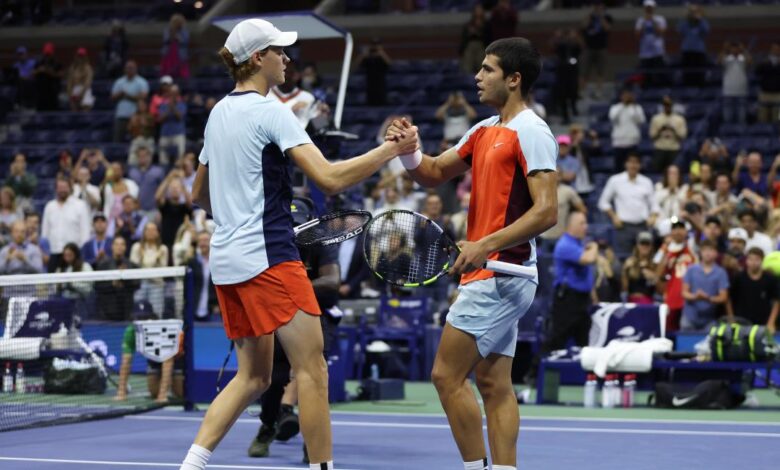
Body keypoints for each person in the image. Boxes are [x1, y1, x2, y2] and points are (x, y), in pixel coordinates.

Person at [179, 18, 418, 470]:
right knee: (313, 369)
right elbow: (329, 178)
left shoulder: (217, 113)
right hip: (269, 258)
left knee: (254, 377)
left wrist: (237, 212)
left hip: (228, 262)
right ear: (257, 59)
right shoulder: (271, 112)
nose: (286, 58)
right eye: (278, 51)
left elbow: (198, 194)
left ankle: (190, 465)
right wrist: (391, 150)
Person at [386, 37, 557, 470]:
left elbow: (547, 211)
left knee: (445, 376)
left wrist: (485, 244)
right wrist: (409, 150)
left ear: (514, 79)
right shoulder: (483, 130)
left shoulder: (532, 131)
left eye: (487, 69)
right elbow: (433, 172)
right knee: (493, 384)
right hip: (494, 271)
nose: (477, 76)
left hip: (502, 272)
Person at [247, 198, 341, 462]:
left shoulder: (321, 243)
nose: (294, 230)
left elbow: (332, 280)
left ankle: (313, 447)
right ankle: (268, 426)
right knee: (272, 380)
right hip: (276, 317)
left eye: (299, 224)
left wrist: (291, 288)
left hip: (314, 316)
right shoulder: (269, 244)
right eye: (290, 224)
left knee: (313, 378)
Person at [115, 301, 184, 403]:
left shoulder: (163, 330)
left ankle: (174, 382)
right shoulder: (131, 331)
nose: (142, 321)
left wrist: (162, 395)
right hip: (154, 359)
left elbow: (168, 361)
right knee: (154, 392)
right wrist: (121, 392)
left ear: (153, 317)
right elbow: (126, 362)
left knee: (180, 393)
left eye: (145, 317)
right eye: (138, 318)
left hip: (177, 358)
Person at [546, 211, 597, 350]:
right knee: (557, 340)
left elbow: (586, 273)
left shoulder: (579, 244)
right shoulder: (565, 244)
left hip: (582, 300)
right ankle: (540, 364)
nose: (586, 226)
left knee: (584, 342)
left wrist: (593, 294)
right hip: (568, 301)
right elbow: (589, 259)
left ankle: (582, 365)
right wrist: (594, 246)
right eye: (582, 223)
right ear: (571, 225)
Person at [598, 153, 659, 256]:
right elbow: (603, 202)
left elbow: (654, 204)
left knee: (644, 258)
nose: (633, 165)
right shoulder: (615, 180)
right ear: (626, 164)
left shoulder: (646, 182)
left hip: (642, 226)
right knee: (624, 257)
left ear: (640, 165)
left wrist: (653, 216)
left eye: (636, 163)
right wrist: (613, 216)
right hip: (623, 227)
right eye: (630, 162)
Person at [42, 177, 91, 272]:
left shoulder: (80, 205)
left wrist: (80, 251)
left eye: (65, 187)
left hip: (74, 253)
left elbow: (85, 231)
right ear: (56, 189)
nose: (62, 190)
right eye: (60, 187)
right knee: (53, 280)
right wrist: (45, 252)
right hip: (54, 252)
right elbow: (45, 232)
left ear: (70, 188)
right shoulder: (49, 206)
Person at [681, 239, 729, 331]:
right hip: (689, 318)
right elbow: (684, 292)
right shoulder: (691, 269)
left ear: (716, 253)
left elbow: (723, 297)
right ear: (700, 252)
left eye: (711, 250)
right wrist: (695, 296)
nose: (707, 253)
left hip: (710, 320)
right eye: (705, 250)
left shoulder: (721, 273)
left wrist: (708, 298)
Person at [729, 247, 778, 331]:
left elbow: (777, 301)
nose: (753, 262)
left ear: (762, 260)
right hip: (741, 323)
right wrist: (731, 318)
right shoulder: (738, 277)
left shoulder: (770, 278)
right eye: (750, 259)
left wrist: (771, 322)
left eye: (757, 259)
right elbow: (729, 298)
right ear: (746, 261)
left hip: (763, 323)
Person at [95, 236, 140, 321]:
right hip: (108, 310)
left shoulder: (132, 265)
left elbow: (137, 284)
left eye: (122, 244)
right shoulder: (103, 265)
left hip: (126, 309)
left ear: (125, 247)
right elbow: (98, 286)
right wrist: (112, 284)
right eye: (116, 244)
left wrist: (125, 280)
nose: (119, 247)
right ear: (112, 247)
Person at [130, 222, 169, 316]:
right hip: (139, 285)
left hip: (157, 286)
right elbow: (133, 267)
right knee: (138, 313)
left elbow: (163, 270)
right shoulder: (136, 247)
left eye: (153, 230)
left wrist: (144, 259)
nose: (150, 232)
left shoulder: (163, 249)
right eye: (148, 229)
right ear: (144, 232)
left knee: (156, 313)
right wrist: (156, 258)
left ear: (158, 233)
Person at [541, 174, 586, 247]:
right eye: (553, 174)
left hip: (561, 235)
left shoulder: (568, 191)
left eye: (558, 175)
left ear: (561, 177)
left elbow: (582, 209)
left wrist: (573, 223)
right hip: (543, 235)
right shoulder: (540, 190)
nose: (555, 177)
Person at [580, 2, 613, 99]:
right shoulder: (589, 17)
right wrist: (591, 16)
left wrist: (600, 17)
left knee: (600, 71)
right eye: (595, 6)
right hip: (589, 48)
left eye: (599, 6)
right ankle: (582, 91)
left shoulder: (607, 17)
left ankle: (599, 91)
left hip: (601, 48)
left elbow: (607, 28)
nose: (597, 8)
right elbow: (583, 26)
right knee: (584, 71)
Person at [111, 60, 149, 142]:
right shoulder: (119, 82)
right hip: (121, 115)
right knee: (117, 140)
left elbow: (144, 96)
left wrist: (127, 95)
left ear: (136, 69)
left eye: (131, 68)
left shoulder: (141, 82)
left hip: (136, 116)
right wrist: (121, 94)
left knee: (136, 141)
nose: (129, 70)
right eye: (128, 68)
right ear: (124, 69)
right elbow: (112, 97)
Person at [608, 90, 645, 170]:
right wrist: (623, 105)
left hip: (632, 143)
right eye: (624, 96)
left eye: (628, 95)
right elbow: (613, 118)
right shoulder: (615, 107)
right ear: (621, 97)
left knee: (633, 167)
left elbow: (641, 121)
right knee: (619, 168)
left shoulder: (637, 108)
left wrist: (633, 107)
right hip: (619, 143)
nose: (626, 97)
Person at [551, 29, 582, 125]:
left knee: (573, 92)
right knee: (562, 95)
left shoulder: (575, 45)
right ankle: (565, 116)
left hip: (572, 72)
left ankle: (573, 108)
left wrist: (575, 39)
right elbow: (553, 48)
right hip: (562, 73)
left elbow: (579, 49)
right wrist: (557, 38)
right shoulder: (560, 44)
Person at [649, 96, 687, 172]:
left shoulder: (679, 119)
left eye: (669, 105)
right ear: (663, 106)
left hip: (674, 149)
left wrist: (673, 130)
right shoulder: (656, 119)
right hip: (660, 149)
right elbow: (652, 136)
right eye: (665, 105)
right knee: (656, 171)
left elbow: (683, 136)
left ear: (672, 105)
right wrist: (660, 130)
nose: (667, 107)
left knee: (674, 172)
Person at [635, 0, 667, 88]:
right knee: (646, 76)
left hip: (657, 52)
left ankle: (660, 91)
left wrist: (652, 21)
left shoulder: (660, 19)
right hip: (645, 53)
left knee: (659, 75)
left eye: (650, 7)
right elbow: (637, 35)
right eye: (647, 7)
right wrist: (644, 23)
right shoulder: (640, 20)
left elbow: (660, 33)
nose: (649, 9)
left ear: (654, 8)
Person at [187, 231, 218, 320]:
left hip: (213, 310)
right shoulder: (192, 262)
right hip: (194, 309)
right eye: (200, 240)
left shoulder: (217, 261)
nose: (203, 243)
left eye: (205, 240)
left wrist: (217, 304)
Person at [129, 145, 166, 217]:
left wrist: (160, 207)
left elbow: (163, 190)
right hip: (136, 210)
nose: (142, 158)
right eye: (140, 156)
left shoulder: (158, 171)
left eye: (144, 155)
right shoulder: (132, 172)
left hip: (153, 210)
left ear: (150, 157)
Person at [621, 231, 658, 304]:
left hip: (648, 300)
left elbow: (660, 290)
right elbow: (624, 288)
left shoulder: (655, 264)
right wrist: (625, 270)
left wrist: (654, 277)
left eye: (647, 244)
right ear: (637, 246)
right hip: (631, 300)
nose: (645, 246)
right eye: (642, 243)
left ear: (651, 247)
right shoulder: (630, 262)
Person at [720, 41, 751, 125]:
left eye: (736, 48)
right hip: (728, 90)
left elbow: (750, 62)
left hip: (741, 91)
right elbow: (719, 61)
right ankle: (727, 130)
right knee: (727, 117)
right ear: (730, 49)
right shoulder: (727, 58)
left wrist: (744, 50)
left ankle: (741, 130)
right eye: (732, 48)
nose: (734, 50)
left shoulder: (743, 58)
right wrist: (724, 49)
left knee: (741, 118)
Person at [103, 161, 140, 230]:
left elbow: (136, 203)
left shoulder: (131, 184)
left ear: (122, 171)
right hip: (112, 220)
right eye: (113, 170)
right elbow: (107, 205)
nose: (115, 172)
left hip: (128, 218)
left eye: (117, 169)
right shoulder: (108, 187)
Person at [157, 84, 187, 165]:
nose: (173, 96)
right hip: (165, 134)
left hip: (178, 134)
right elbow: (160, 120)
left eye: (175, 94)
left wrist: (173, 107)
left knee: (180, 159)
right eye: (171, 93)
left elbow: (180, 117)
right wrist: (168, 109)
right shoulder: (163, 105)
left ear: (178, 94)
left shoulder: (182, 105)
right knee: (163, 160)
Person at [358, 38, 391, 106]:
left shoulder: (382, 57)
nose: (375, 47)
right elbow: (357, 65)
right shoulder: (367, 57)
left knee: (382, 103)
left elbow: (390, 64)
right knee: (370, 103)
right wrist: (364, 54)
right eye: (373, 45)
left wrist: (381, 53)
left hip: (381, 84)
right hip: (370, 84)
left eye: (377, 44)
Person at [654, 164, 688, 228]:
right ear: (666, 175)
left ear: (679, 175)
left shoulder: (685, 188)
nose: (672, 176)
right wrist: (669, 190)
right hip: (662, 220)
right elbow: (656, 202)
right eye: (670, 173)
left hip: (679, 220)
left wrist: (675, 190)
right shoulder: (659, 186)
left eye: (675, 173)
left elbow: (684, 203)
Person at [460, 4, 490, 74]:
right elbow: (464, 38)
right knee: (467, 65)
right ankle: (467, 77)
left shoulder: (487, 24)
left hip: (482, 46)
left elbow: (488, 37)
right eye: (477, 10)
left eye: (480, 10)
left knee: (482, 64)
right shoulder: (468, 25)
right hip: (470, 46)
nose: (478, 11)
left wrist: (479, 32)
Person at [34, 42, 63, 111]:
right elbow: (32, 74)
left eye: (48, 54)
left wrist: (49, 72)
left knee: (52, 112)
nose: (47, 56)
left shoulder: (57, 63)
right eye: (46, 54)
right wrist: (39, 70)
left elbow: (61, 74)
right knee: (40, 111)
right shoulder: (39, 63)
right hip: (41, 92)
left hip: (52, 92)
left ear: (52, 53)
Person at [756, 42, 780, 124]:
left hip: (778, 94)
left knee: (777, 119)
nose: (776, 51)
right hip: (765, 93)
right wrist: (763, 63)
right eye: (774, 49)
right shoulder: (764, 61)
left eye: (778, 49)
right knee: (762, 117)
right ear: (771, 50)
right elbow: (757, 72)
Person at [161, 13, 190, 79]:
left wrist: (178, 37)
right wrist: (172, 35)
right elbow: (165, 41)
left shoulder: (184, 31)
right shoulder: (168, 30)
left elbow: (185, 41)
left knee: (181, 69)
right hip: (169, 53)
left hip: (180, 54)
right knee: (168, 70)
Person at [127, 100, 156, 166]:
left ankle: (147, 169)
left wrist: (144, 122)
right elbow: (129, 128)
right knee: (132, 158)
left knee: (148, 156)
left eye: (143, 105)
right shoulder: (134, 116)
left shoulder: (150, 115)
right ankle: (132, 168)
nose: (141, 107)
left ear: (146, 106)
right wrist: (132, 123)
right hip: (137, 138)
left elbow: (153, 126)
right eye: (139, 106)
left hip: (148, 139)